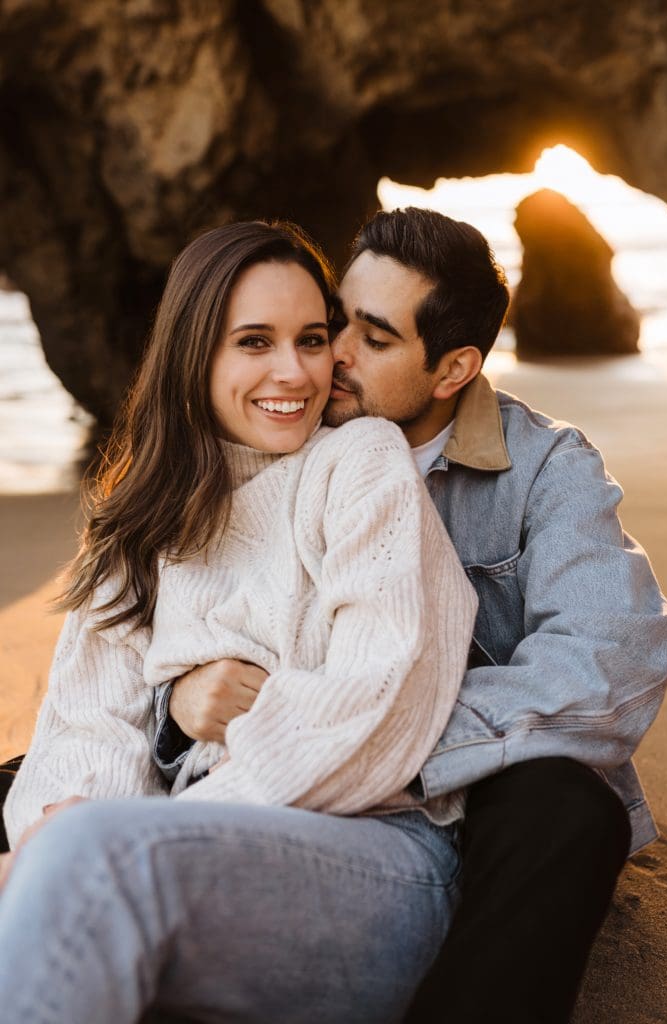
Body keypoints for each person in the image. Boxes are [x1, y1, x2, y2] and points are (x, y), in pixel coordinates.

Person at [158, 207, 667, 1023]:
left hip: (475, 786)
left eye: (374, 336)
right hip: (272, 775)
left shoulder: (543, 468)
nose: (330, 359)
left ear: (452, 368)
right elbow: (159, 625)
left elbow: (610, 660)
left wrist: (380, 737)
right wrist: (176, 704)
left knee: (570, 810)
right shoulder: (273, 435)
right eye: (336, 323)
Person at [0, 220, 479, 1023]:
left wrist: (131, 838)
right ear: (196, 355)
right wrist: (67, 826)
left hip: (377, 863)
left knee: (88, 862)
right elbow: (87, 728)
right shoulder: (136, 521)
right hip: (178, 860)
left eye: (312, 338)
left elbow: (378, 703)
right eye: (253, 341)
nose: (293, 371)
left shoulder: (359, 463)